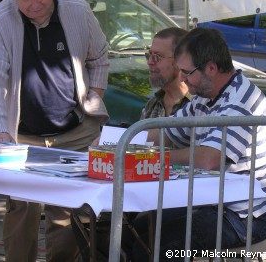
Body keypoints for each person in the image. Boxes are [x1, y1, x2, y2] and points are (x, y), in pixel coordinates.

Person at [0, 0, 109, 262]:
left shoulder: (77, 11)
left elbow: (100, 57)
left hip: (74, 131)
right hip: (23, 137)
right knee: (21, 211)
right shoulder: (2, 18)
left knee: (65, 215)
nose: (34, 3)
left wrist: (92, 98)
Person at [130, 27, 266, 261]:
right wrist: (120, 141)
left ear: (211, 68)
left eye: (187, 72)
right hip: (216, 203)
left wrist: (154, 159)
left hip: (245, 216)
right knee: (140, 227)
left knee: (163, 245)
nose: (181, 78)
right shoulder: (205, 97)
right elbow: (166, 133)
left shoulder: (240, 102)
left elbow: (209, 158)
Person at [71, 26, 192, 261]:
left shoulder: (198, 105)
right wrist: (108, 144)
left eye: (157, 57)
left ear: (180, 62)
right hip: (140, 192)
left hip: (179, 198)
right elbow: (137, 149)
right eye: (149, 55)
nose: (150, 62)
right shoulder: (153, 105)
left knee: (135, 228)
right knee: (84, 213)